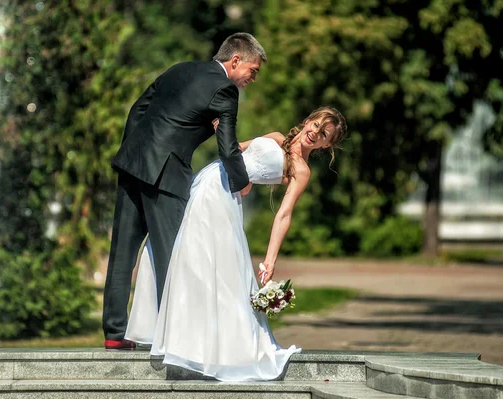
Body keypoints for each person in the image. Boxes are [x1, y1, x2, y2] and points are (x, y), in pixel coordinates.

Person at [126, 106, 348, 381]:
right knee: (189, 256)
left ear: (328, 144)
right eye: (315, 124)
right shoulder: (277, 137)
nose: (315, 133)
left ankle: (207, 346)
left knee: (216, 268)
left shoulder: (301, 171)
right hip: (210, 179)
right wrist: (232, 153)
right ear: (307, 121)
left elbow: (284, 214)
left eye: (324, 133)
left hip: (225, 198)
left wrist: (270, 260)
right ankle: (179, 335)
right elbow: (236, 150)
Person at [103, 33, 267, 350]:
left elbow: (138, 109)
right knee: (172, 254)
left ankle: (114, 333)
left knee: (123, 252)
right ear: (236, 60)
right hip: (167, 174)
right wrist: (241, 181)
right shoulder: (225, 90)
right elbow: (228, 147)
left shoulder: (180, 68)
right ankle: (174, 337)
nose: (252, 78)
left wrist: (132, 151)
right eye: (253, 70)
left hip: (133, 163)